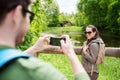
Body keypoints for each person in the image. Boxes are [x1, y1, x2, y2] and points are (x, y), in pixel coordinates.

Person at [0, 0, 90, 80]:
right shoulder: (39, 73)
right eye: (30, 16)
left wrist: (35, 48)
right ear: (17, 14)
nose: (28, 21)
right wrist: (71, 54)